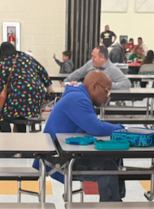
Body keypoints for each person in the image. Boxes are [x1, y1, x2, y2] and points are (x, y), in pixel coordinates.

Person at [40, 71, 124, 202]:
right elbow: (96, 128)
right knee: (107, 166)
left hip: (67, 152)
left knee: (115, 155)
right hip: (60, 159)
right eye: (107, 91)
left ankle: (116, 201)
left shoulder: (79, 95)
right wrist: (122, 129)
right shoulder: (78, 98)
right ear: (94, 86)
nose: (108, 96)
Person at [0, 42, 54, 132]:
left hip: (18, 93)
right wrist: (49, 88)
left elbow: (2, 83)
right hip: (36, 94)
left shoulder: (3, 61)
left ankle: (6, 139)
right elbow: (42, 70)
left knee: (2, 116)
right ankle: (22, 137)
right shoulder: (26, 57)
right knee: (19, 113)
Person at [64, 46, 131, 90]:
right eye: (92, 56)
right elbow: (78, 73)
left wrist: (107, 85)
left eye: (94, 57)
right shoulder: (90, 63)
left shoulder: (112, 69)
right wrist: (66, 82)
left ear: (102, 58)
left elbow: (127, 84)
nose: (92, 59)